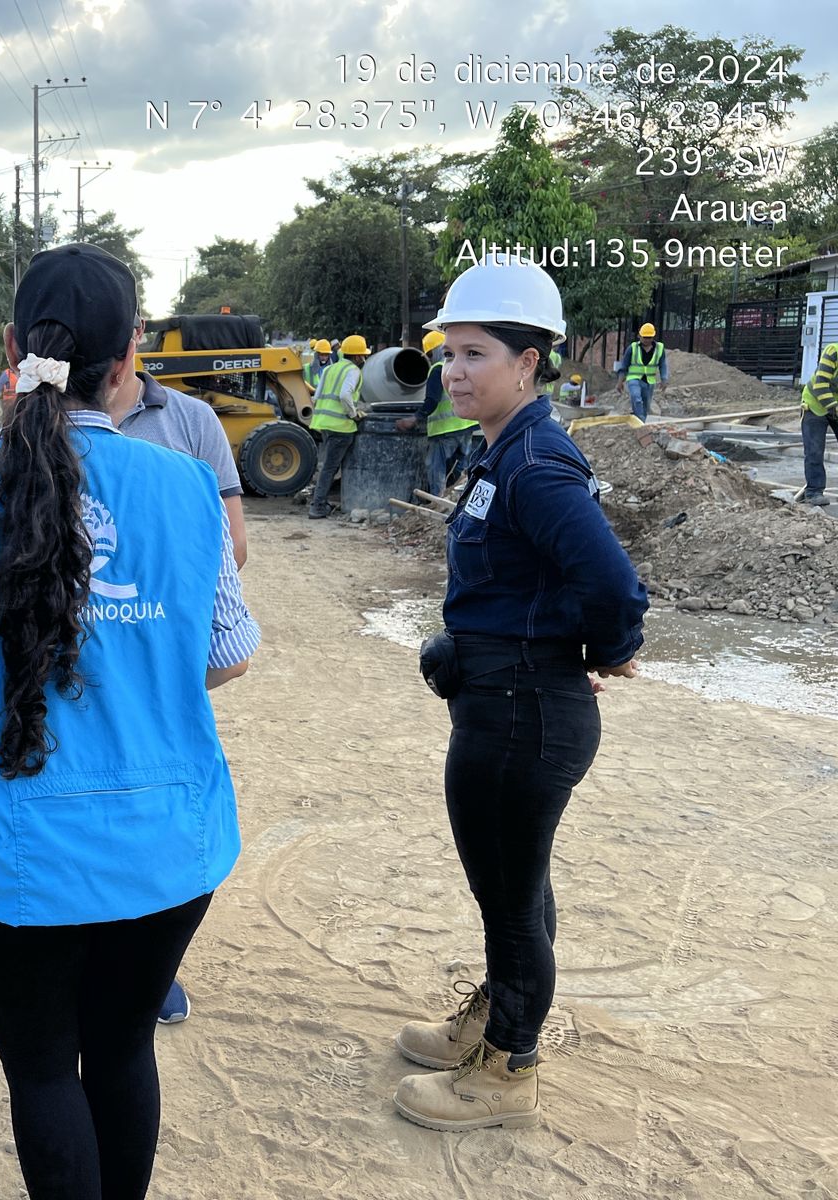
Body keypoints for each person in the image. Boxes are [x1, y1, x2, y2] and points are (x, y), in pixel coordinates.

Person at [0, 243, 258, 1200]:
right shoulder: (187, 487)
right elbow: (227, 655)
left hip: (12, 854)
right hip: (164, 845)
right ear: (128, 358)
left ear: (10, 348)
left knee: (43, 1071)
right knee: (122, 1049)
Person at [396, 253, 648, 1132]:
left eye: (475, 355)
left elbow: (614, 586)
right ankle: (498, 1016)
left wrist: (611, 648)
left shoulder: (537, 463)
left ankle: (508, 1069)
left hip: (524, 713)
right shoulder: (504, 448)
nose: (454, 372)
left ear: (528, 362)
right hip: (502, 700)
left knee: (509, 897)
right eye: (448, 354)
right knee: (512, 886)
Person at [105, 318, 250, 1024]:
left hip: (152, 653)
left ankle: (145, 970)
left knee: (147, 812)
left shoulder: (191, 422)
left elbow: (232, 548)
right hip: (77, 654)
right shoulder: (28, 426)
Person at [397, 330, 479, 497]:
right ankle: (456, 500)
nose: (428, 358)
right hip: (466, 425)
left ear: (435, 350)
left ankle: (437, 500)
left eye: (428, 354)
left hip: (444, 431)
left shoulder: (438, 369)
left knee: (436, 467)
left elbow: (432, 401)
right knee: (461, 469)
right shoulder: (463, 366)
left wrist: (414, 418)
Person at [306, 334, 371, 518]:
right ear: (358, 356)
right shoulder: (353, 371)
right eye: (362, 355)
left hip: (324, 424)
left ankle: (322, 500)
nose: (363, 359)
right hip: (341, 427)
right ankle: (317, 506)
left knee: (329, 466)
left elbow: (316, 397)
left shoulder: (330, 369)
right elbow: (344, 395)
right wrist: (354, 413)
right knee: (330, 467)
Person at [799, 339, 837, 506]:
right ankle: (814, 492)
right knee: (814, 449)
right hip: (814, 404)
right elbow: (821, 385)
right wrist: (834, 408)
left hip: (835, 404)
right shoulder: (833, 351)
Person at [611, 322, 668, 421]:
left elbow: (663, 365)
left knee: (645, 405)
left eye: (649, 337)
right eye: (644, 337)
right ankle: (640, 421)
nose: (646, 340)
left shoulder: (659, 349)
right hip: (633, 379)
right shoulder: (632, 348)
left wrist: (664, 379)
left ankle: (639, 422)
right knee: (636, 397)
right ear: (639, 336)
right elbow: (624, 365)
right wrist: (620, 382)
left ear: (653, 337)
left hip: (649, 381)